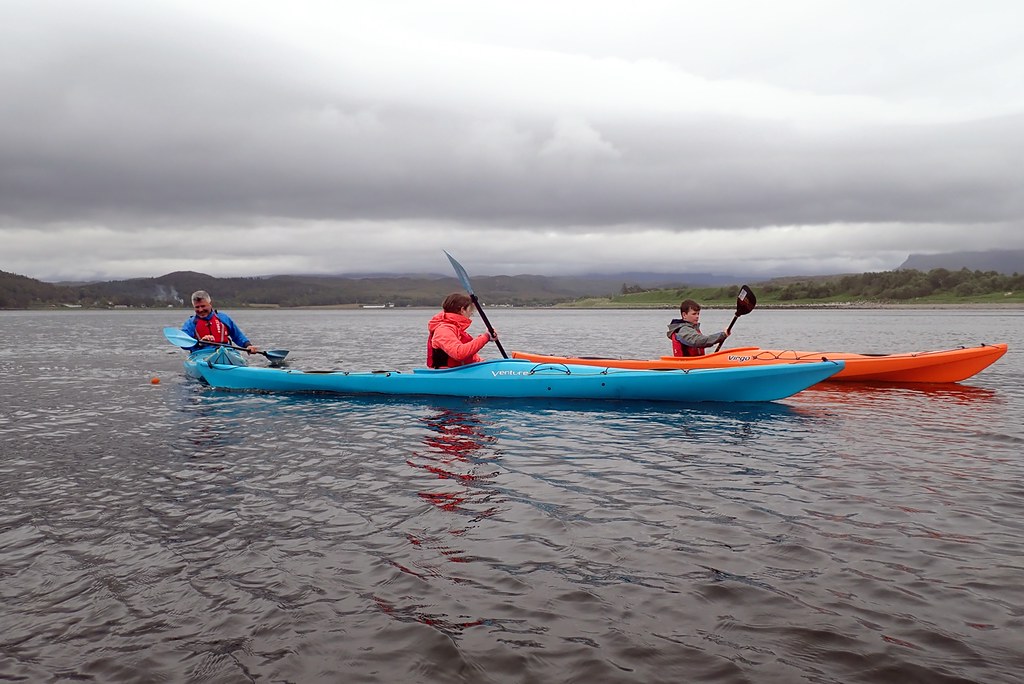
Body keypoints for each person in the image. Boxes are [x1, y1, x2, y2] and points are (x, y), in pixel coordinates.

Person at [426, 293, 499, 368]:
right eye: (470, 310)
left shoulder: (456, 329)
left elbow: (474, 359)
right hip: (449, 374)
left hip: (464, 372)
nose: (471, 314)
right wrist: (486, 337)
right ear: (462, 310)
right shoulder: (443, 330)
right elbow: (459, 353)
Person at [181, 290, 259, 354]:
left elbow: (237, 336)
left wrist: (248, 345)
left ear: (210, 304)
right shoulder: (190, 324)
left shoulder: (223, 318)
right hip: (201, 354)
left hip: (226, 353)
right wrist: (200, 342)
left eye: (203, 306)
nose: (200, 310)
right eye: (197, 307)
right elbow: (183, 343)